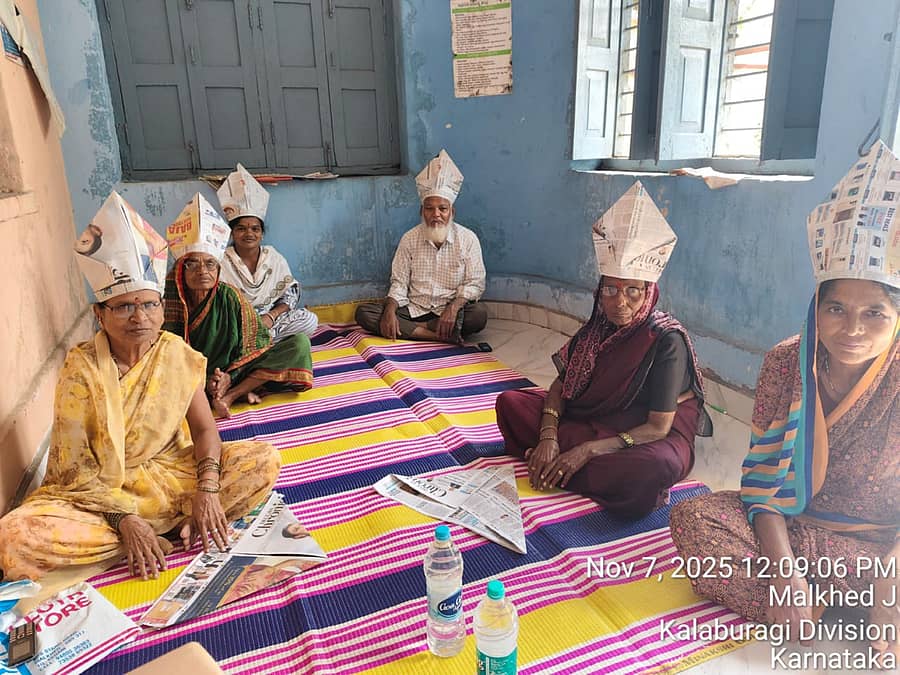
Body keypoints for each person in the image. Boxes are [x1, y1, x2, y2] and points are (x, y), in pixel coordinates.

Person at [669, 141, 899, 663]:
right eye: (836, 308)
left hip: (881, 547)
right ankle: (825, 606)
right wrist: (785, 572)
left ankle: (862, 602)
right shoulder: (785, 364)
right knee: (694, 521)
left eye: (875, 314)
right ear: (816, 303)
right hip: (799, 529)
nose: (853, 330)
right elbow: (764, 486)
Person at [0, 192, 281, 582]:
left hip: (169, 476)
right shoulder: (81, 369)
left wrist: (209, 488)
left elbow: (203, 430)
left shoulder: (175, 353)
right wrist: (125, 520)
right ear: (100, 313)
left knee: (264, 460)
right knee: (15, 537)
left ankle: (180, 518)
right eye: (124, 307)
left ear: (163, 309)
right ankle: (144, 533)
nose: (140, 318)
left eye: (150, 305)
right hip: (101, 492)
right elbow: (74, 469)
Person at [495, 182, 711, 519]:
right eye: (609, 289)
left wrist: (584, 451)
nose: (618, 302)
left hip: (641, 436)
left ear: (648, 291)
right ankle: (559, 462)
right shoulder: (598, 327)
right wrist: (550, 436)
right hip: (594, 422)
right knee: (510, 404)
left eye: (631, 292)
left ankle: (561, 466)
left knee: (656, 466)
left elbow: (657, 428)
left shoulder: (666, 340)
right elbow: (559, 387)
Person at [163, 193, 314, 418]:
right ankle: (222, 390)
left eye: (210, 264)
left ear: (217, 269)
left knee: (300, 342)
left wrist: (228, 377)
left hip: (236, 367)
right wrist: (206, 379)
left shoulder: (229, 295)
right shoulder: (171, 300)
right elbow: (166, 353)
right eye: (192, 264)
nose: (202, 271)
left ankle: (231, 394)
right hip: (191, 374)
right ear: (180, 269)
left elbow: (254, 345)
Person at [355, 150, 487, 343]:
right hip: (413, 309)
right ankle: (437, 335)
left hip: (449, 310)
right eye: (429, 208)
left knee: (478, 315)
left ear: (452, 212)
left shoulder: (468, 239)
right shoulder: (409, 239)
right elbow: (399, 283)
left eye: (442, 208)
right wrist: (391, 310)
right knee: (364, 313)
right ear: (421, 211)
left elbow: (475, 283)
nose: (436, 215)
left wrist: (453, 308)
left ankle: (416, 331)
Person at [216, 164, 319, 341]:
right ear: (232, 232)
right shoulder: (221, 260)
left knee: (308, 319)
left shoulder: (273, 257)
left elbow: (289, 295)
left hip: (270, 321)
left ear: (262, 234)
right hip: (236, 325)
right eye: (241, 228)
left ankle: (258, 342)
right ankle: (257, 342)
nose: (249, 234)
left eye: (255, 229)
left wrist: (270, 317)